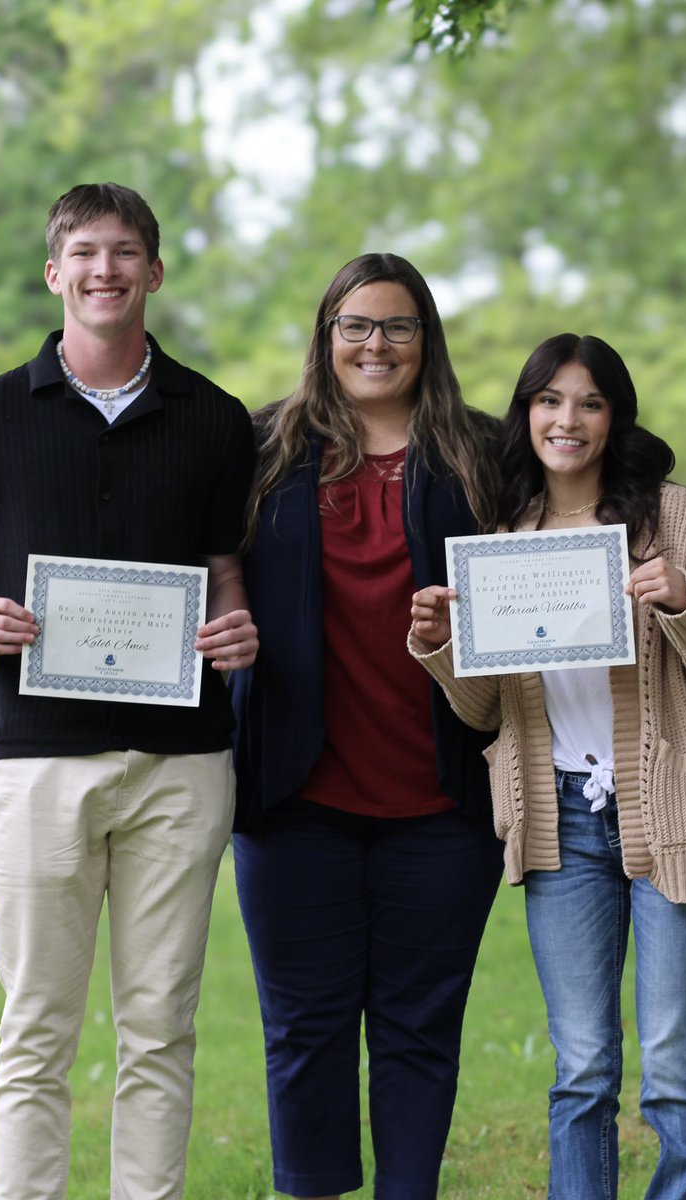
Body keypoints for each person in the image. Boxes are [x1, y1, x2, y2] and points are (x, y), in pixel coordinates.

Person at [0, 182, 257, 1200]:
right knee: (36, 1030)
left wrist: (237, 628)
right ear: (54, 272)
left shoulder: (215, 419)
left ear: (154, 271)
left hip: (181, 767)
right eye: (85, 253)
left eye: (125, 253)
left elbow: (224, 572)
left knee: (161, 1026)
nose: (105, 271)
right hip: (37, 762)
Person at [409, 333, 686, 1200]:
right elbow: (490, 711)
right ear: (527, 412)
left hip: (669, 807)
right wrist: (443, 648)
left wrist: (682, 598)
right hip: (557, 820)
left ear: (616, 416)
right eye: (551, 401)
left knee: (675, 1064)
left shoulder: (672, 516)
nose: (569, 421)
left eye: (591, 403)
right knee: (582, 1071)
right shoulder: (500, 530)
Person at [229, 253, 506, 1200]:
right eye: (355, 326)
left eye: (396, 326)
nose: (374, 345)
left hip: (441, 797)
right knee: (302, 1029)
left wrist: (685, 535)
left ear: (425, 340)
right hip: (293, 795)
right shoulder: (261, 448)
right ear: (326, 337)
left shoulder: (483, 453)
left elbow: (582, 513)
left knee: (419, 1029)